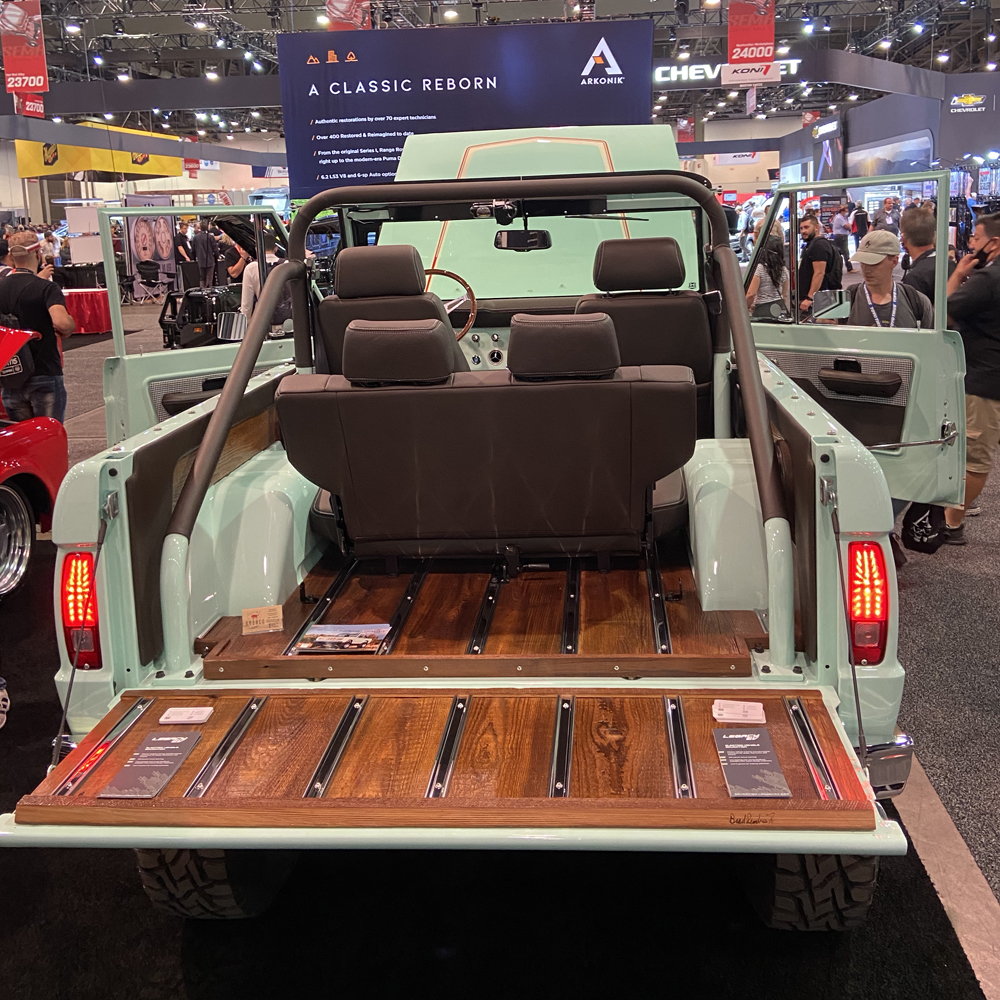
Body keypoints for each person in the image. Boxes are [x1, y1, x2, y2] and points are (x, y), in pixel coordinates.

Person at [942, 211, 1000, 544]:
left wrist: (958, 274)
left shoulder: (988, 279)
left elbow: (945, 310)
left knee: (974, 458)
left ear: (992, 243)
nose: (971, 244)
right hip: (990, 376)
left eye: (976, 239)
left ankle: (952, 525)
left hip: (983, 380)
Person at [0, 232, 76, 423]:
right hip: (44, 370)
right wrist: (69, 326)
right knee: (49, 437)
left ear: (11, 257)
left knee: (24, 442)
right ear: (38, 254)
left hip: (11, 375)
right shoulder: (46, 288)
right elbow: (61, 322)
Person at [847, 230, 933, 328]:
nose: (866, 269)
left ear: (894, 261)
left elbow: (930, 341)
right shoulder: (847, 299)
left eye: (873, 263)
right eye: (862, 261)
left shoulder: (917, 302)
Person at [900, 206, 955, 307]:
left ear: (903, 238)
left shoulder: (914, 278)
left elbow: (916, 320)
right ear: (934, 236)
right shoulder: (950, 264)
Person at [797, 215, 839, 314]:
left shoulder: (818, 245)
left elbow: (819, 273)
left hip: (817, 300)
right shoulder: (813, 244)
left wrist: (810, 297)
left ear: (816, 227)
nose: (803, 231)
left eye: (807, 227)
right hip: (817, 298)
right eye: (801, 228)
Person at [745, 234, 789, 319]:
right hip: (778, 309)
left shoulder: (760, 268)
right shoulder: (783, 270)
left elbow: (751, 294)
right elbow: (785, 295)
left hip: (762, 310)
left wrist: (744, 307)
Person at [192, 221, 216, 288]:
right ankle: (208, 290)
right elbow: (215, 248)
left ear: (200, 227)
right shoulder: (210, 237)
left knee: (202, 277)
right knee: (209, 277)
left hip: (200, 260)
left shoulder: (196, 237)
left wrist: (194, 258)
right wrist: (217, 256)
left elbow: (193, 250)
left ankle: (202, 291)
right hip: (210, 260)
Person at [831, 204, 854, 273]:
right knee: (845, 253)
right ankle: (849, 268)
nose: (848, 210)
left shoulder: (842, 217)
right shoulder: (840, 218)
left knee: (840, 253)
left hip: (840, 236)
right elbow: (847, 226)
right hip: (841, 237)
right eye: (846, 209)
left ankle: (836, 268)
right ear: (843, 210)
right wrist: (850, 226)